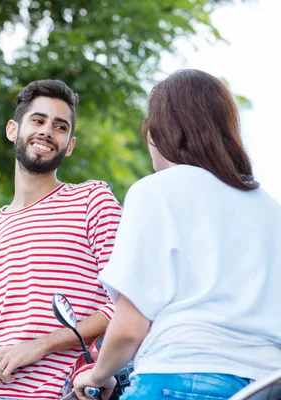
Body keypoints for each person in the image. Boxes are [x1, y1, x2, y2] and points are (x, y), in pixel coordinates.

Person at [72, 69, 281, 400]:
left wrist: (98, 375)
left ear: (162, 132)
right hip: (266, 385)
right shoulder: (271, 209)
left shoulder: (155, 192)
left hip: (179, 379)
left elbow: (129, 328)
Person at [0, 79, 123, 400]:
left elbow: (123, 306)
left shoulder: (93, 200)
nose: (47, 132)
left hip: (49, 392)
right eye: (38, 120)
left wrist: (41, 345)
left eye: (60, 127)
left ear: (69, 145)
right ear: (13, 130)